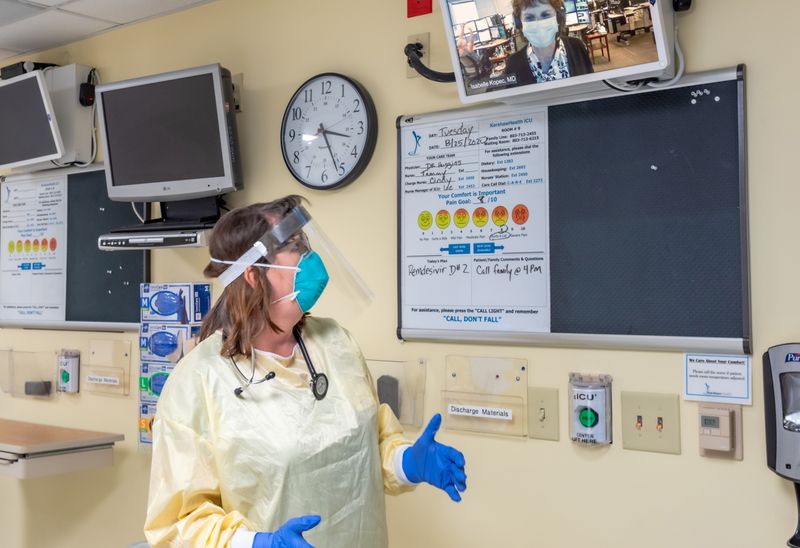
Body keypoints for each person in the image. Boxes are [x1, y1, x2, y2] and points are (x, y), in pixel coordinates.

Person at [143, 195, 467, 548]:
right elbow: (177, 524)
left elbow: (370, 449)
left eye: (305, 242)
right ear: (253, 275)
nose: (311, 257)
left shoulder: (336, 344)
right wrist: (257, 544)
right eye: (295, 247)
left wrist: (408, 462)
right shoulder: (198, 381)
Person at [505, 0, 593, 85]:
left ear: (558, 17)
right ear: (519, 23)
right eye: (529, 18)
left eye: (545, 15)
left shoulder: (577, 48)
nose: (538, 24)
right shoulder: (513, 65)